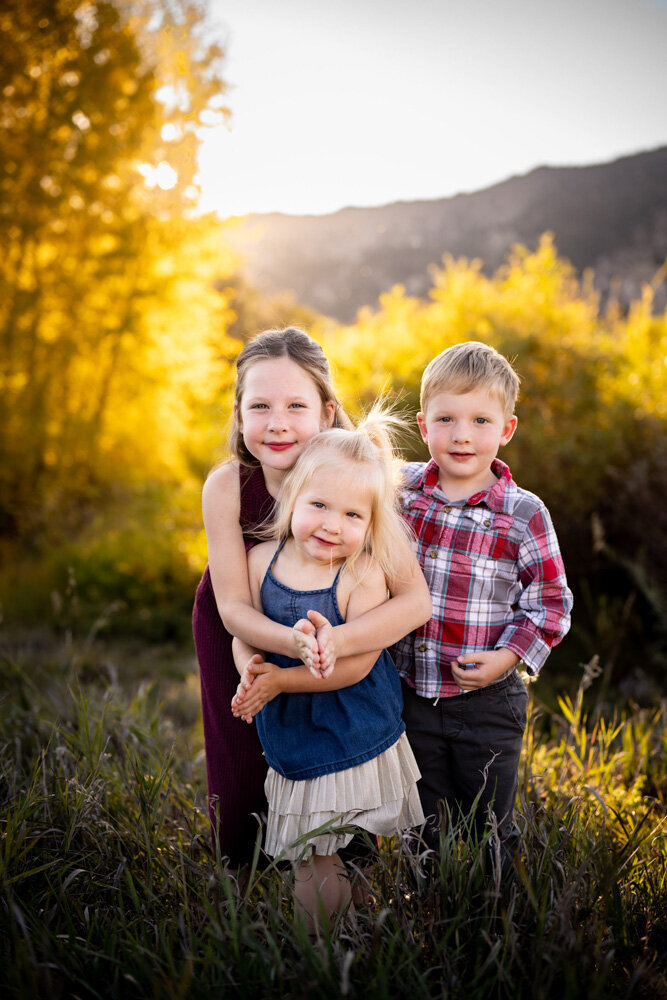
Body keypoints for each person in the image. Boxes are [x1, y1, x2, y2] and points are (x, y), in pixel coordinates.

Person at [192, 327, 432, 866]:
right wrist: (287, 646)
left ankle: (337, 873)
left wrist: (332, 642)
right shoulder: (228, 485)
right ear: (238, 414)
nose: (277, 422)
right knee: (243, 762)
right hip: (242, 627)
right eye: (259, 406)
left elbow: (414, 602)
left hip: (339, 631)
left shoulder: (355, 480)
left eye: (295, 405)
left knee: (335, 754)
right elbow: (232, 608)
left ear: (327, 413)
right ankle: (245, 882)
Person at [229, 417, 425, 933]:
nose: (332, 525)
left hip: (352, 729)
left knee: (323, 855)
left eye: (352, 514)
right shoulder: (260, 561)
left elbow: (360, 663)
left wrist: (282, 681)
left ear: (371, 524)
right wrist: (250, 670)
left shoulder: (361, 572)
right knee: (318, 852)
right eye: (319, 505)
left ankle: (318, 951)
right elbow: (244, 633)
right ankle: (349, 939)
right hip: (295, 734)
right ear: (293, 495)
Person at [392, 341, 573, 870]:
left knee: (488, 825)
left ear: (506, 429)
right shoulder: (400, 491)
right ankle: (427, 912)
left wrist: (508, 658)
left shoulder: (522, 514)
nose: (462, 435)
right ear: (424, 426)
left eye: (479, 420)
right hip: (408, 694)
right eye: (446, 419)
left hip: (487, 702)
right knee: (421, 822)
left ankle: (492, 915)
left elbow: (550, 603)